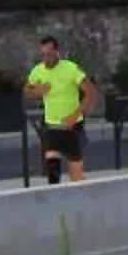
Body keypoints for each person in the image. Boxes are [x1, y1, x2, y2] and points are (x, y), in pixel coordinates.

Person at [26, 33, 97, 181]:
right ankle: (55, 199)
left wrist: (75, 115)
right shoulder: (38, 70)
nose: (46, 59)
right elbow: (27, 90)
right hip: (52, 126)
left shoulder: (70, 69)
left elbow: (90, 93)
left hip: (72, 126)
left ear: (57, 52)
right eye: (43, 55)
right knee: (52, 169)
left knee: (75, 174)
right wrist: (36, 91)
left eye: (49, 54)